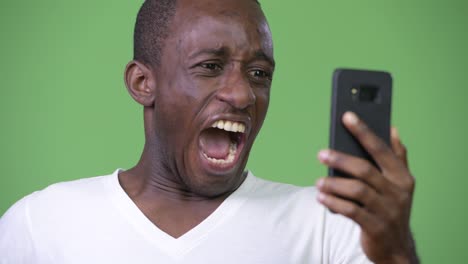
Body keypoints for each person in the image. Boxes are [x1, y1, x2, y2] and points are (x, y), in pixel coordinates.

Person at [0, 0, 419, 263]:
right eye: (210, 66)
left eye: (259, 73)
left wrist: (397, 253)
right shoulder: (41, 223)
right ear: (143, 83)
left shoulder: (330, 225)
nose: (241, 94)